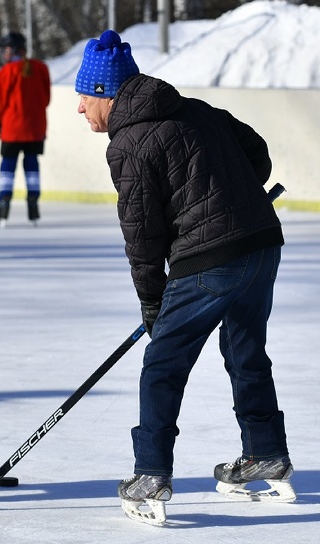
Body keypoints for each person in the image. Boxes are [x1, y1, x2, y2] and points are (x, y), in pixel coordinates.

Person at [75, 29, 294, 525]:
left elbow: (143, 235)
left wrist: (152, 303)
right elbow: (256, 152)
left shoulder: (128, 144)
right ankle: (265, 452)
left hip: (211, 260)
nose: (80, 109)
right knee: (245, 351)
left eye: (84, 97)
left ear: (107, 95)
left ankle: (151, 472)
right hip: (262, 245)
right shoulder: (194, 109)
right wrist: (231, 194)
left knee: (163, 364)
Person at [0, 31, 51, 227]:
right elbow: (46, 99)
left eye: (7, 50)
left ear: (17, 50)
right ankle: (33, 203)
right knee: (31, 162)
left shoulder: (3, 74)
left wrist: (0, 123)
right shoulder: (41, 68)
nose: (4, 54)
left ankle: (4, 201)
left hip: (11, 128)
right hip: (35, 128)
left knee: (8, 162)